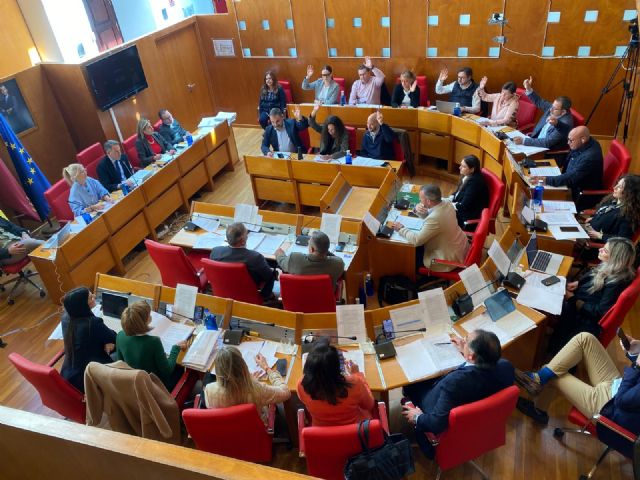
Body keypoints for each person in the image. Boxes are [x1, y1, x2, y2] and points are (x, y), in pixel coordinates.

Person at [515, 331, 640, 459]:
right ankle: (538, 382)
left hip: (613, 409)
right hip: (620, 386)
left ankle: (538, 407)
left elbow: (622, 401)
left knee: (552, 373)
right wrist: (636, 351)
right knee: (585, 339)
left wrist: (636, 366)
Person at [402, 330, 514, 458]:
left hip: (432, 410)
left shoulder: (455, 382)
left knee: (411, 384)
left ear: (472, 356)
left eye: (466, 340)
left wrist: (417, 417)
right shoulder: (506, 367)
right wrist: (465, 350)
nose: (462, 341)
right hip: (480, 422)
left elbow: (436, 424)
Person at [548, 237, 636, 354]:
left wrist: (572, 299)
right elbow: (594, 279)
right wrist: (578, 283)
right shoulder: (610, 266)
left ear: (615, 259)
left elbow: (599, 312)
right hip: (582, 302)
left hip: (584, 319)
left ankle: (549, 344)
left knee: (549, 298)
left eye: (605, 251)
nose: (600, 250)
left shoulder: (615, 284)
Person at [297, 337, 375, 426]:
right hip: (355, 432)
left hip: (321, 433)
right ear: (336, 367)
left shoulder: (301, 385)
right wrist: (358, 374)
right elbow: (369, 405)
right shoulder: (355, 383)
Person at [392, 185, 470, 272]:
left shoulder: (434, 219)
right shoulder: (446, 203)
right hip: (459, 246)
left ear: (428, 201)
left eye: (421, 199)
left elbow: (417, 240)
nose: (419, 200)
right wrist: (417, 210)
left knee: (408, 256)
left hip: (448, 258)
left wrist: (401, 229)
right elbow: (432, 217)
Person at [204, 346, 290, 424]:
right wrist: (267, 368)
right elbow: (285, 392)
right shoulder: (256, 390)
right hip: (254, 430)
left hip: (228, 432)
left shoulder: (209, 390)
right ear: (242, 366)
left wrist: (251, 381)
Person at [115, 301, 187, 390]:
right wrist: (175, 348)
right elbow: (167, 370)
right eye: (149, 314)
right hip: (155, 387)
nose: (151, 316)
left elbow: (120, 364)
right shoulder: (153, 341)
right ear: (144, 322)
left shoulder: (120, 335)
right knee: (181, 370)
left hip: (134, 384)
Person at [60, 287, 117, 392]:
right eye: (91, 297)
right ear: (82, 305)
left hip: (68, 374)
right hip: (88, 378)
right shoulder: (93, 323)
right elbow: (114, 337)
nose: (94, 297)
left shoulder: (65, 318)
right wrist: (107, 342)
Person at [529, 126, 603, 205]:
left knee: (537, 198)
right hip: (570, 183)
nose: (568, 143)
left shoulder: (590, 158)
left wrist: (546, 180)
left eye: (571, 140)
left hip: (578, 195)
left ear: (583, 139)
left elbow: (570, 178)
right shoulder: (586, 143)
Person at [210, 222, 276, 300]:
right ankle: (266, 297)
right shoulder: (255, 257)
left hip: (224, 291)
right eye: (246, 234)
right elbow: (268, 276)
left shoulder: (215, 251)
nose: (247, 236)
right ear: (242, 241)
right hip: (248, 295)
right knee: (272, 274)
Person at [512, 76, 573, 150]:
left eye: (555, 109)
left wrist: (524, 141)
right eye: (552, 106)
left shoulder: (565, 124)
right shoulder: (553, 108)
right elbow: (539, 101)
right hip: (535, 140)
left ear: (563, 112)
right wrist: (528, 88)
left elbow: (547, 143)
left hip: (545, 150)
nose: (550, 110)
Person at [275, 230, 344, 289]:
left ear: (312, 249)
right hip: (323, 299)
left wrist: (279, 253)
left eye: (309, 244)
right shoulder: (338, 264)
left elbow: (282, 262)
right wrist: (324, 249)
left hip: (298, 298)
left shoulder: (295, 259)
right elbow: (337, 260)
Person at [582, 175, 640, 243]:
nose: (614, 187)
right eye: (617, 184)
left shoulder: (628, 215)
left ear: (630, 193)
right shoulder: (611, 200)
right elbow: (604, 215)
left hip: (593, 243)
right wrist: (594, 218)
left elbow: (623, 240)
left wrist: (600, 236)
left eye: (620, 187)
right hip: (587, 230)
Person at [449, 155, 489, 230]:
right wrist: (450, 198)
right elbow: (459, 192)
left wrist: (448, 204)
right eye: (461, 165)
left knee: (439, 214)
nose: (459, 167)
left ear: (472, 169)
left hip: (466, 218)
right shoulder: (467, 176)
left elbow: (463, 206)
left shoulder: (475, 183)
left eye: (463, 166)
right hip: (461, 209)